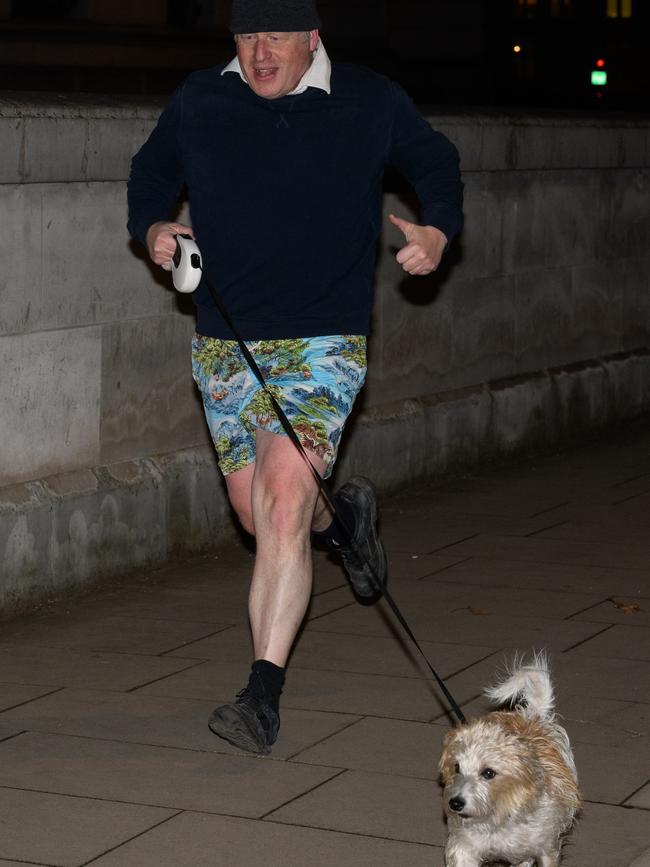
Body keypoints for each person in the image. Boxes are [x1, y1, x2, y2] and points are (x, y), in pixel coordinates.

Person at [127, 0, 463, 756]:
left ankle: (261, 695)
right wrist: (154, 227)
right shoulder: (200, 101)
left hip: (323, 344)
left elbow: (436, 160)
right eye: (245, 35)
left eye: (274, 34)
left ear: (312, 34)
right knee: (263, 515)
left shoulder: (369, 100)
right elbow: (149, 176)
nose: (258, 52)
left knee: (280, 503)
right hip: (226, 345)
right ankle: (340, 517)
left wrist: (437, 228)